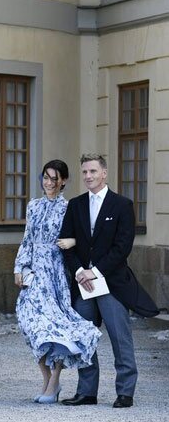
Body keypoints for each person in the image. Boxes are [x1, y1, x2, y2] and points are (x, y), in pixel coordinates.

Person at [59, 154, 158, 408]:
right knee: (85, 339)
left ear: (104, 173)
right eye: (84, 172)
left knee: (120, 338)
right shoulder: (76, 205)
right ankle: (87, 392)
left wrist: (96, 271)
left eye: (93, 171)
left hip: (111, 284)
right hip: (83, 285)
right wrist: (80, 271)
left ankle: (125, 392)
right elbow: (66, 243)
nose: (88, 176)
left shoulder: (122, 205)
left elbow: (122, 246)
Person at [13, 160, 101, 404]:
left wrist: (73, 242)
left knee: (55, 326)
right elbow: (27, 238)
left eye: (54, 178)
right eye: (46, 177)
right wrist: (19, 267)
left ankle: (54, 381)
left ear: (63, 181)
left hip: (55, 270)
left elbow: (87, 237)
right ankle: (47, 377)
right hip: (33, 270)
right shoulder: (33, 205)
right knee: (28, 322)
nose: (49, 183)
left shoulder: (69, 207)